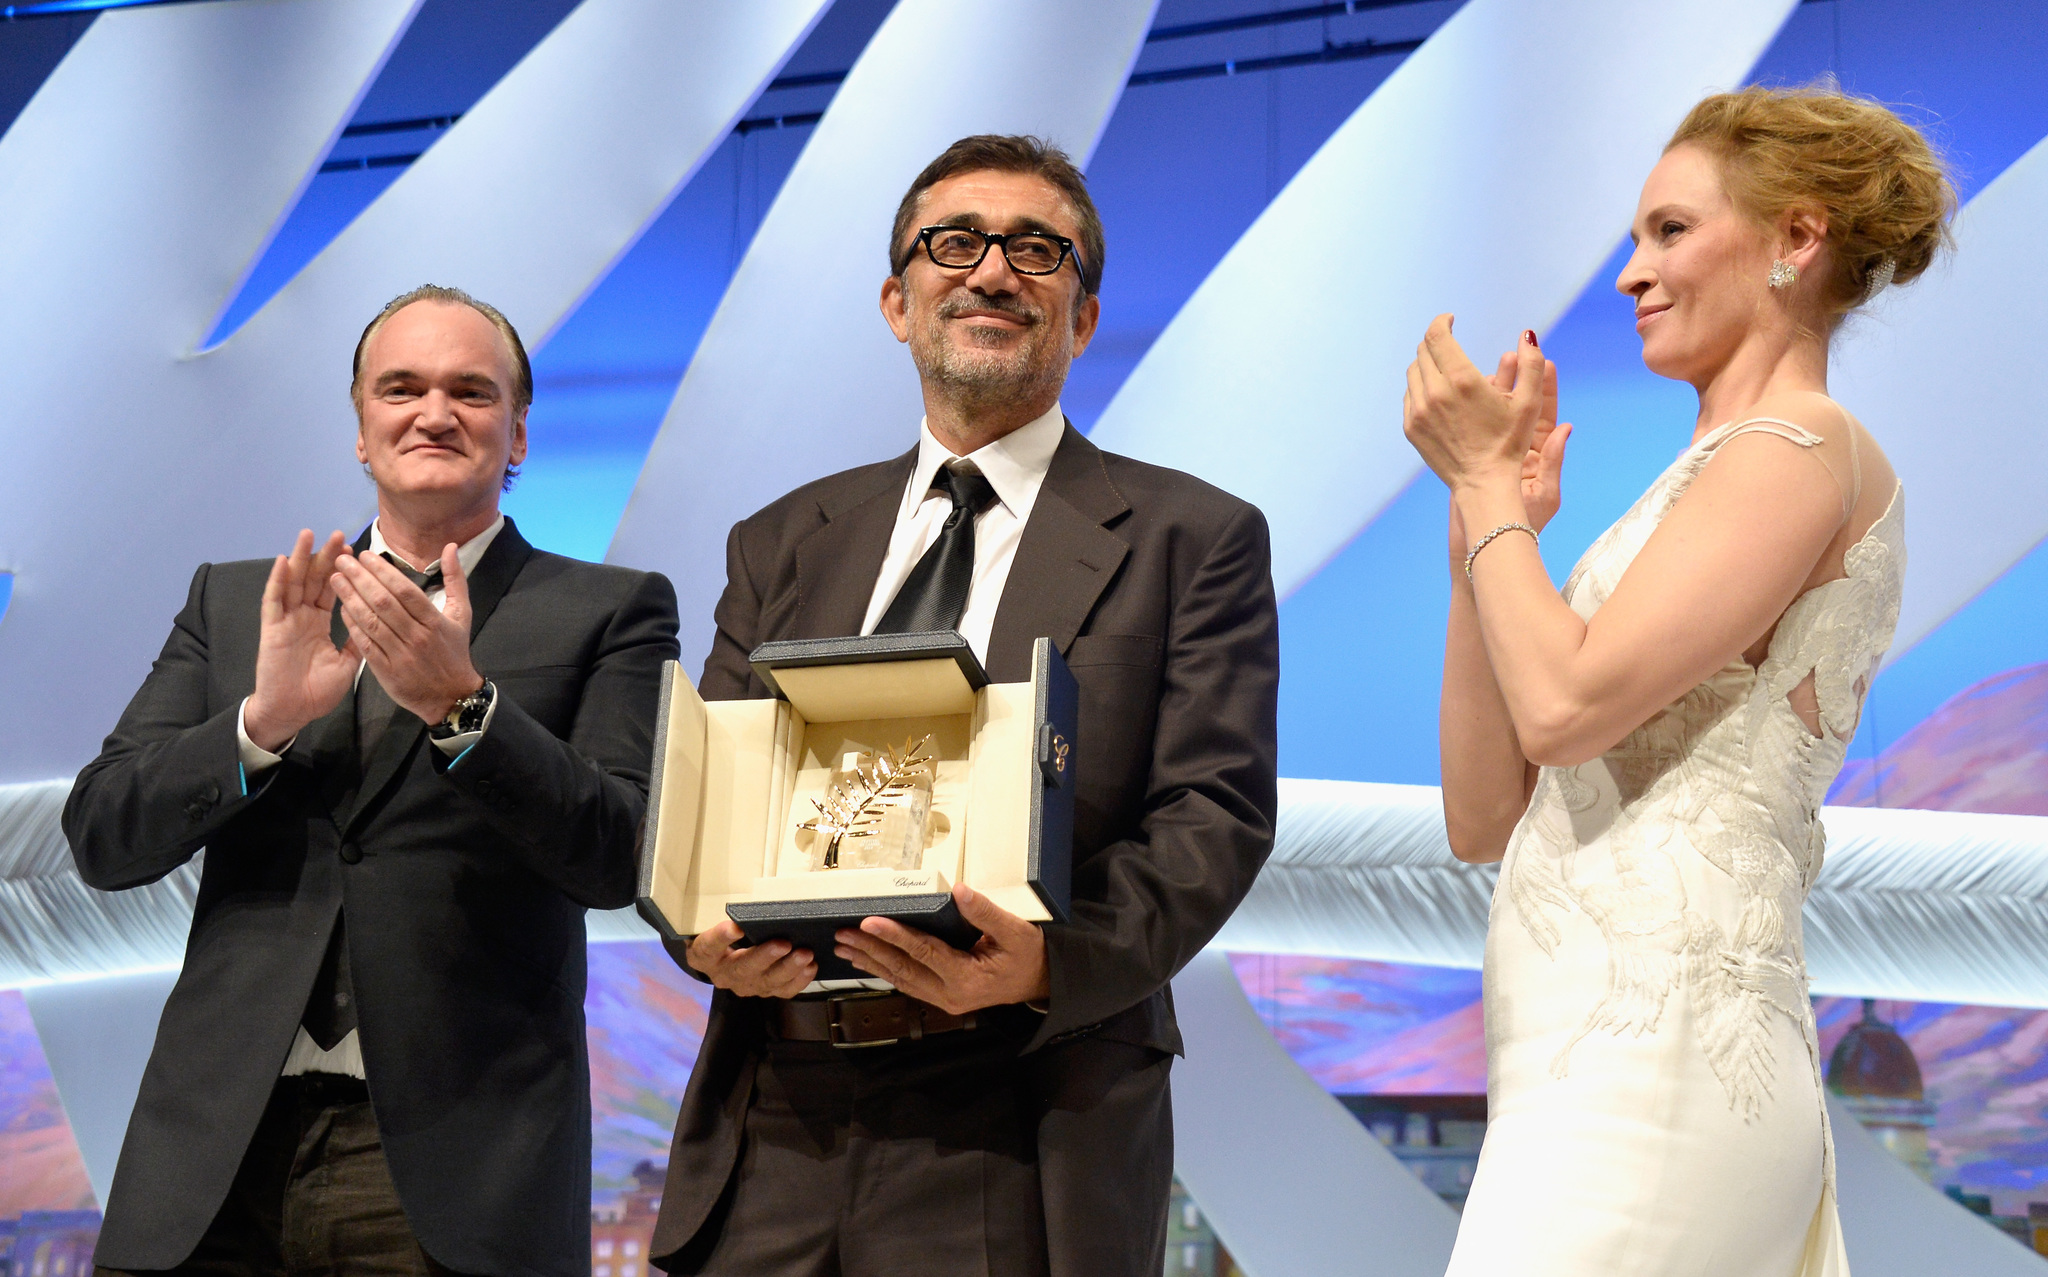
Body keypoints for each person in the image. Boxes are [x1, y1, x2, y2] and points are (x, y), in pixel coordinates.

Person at [648, 135, 1280, 1277]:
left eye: (1037, 250)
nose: (992, 270)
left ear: (1081, 318)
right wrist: (697, 938)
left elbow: (1212, 815)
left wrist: (1045, 964)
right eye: (955, 243)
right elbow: (709, 790)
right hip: (774, 1104)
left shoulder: (1193, 537)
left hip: (1020, 1106)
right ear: (898, 300)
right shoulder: (785, 537)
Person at [1401, 87, 1954, 1274]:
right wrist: (1484, 527)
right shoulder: (1711, 472)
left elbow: (1558, 707)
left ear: (1794, 240)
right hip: (1578, 1064)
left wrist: (1493, 494)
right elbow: (1482, 812)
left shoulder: (1796, 448)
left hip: (1660, 1065)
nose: (1627, 274)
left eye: (1666, 231)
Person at [64, 285, 681, 1276]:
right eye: (401, 386)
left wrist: (465, 709)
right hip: (215, 1156)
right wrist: (259, 722)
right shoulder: (238, 602)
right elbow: (103, 832)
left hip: (457, 1164)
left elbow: (618, 852)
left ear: (517, 433)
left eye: (471, 391)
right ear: (360, 426)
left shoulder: (607, 609)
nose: (434, 411)